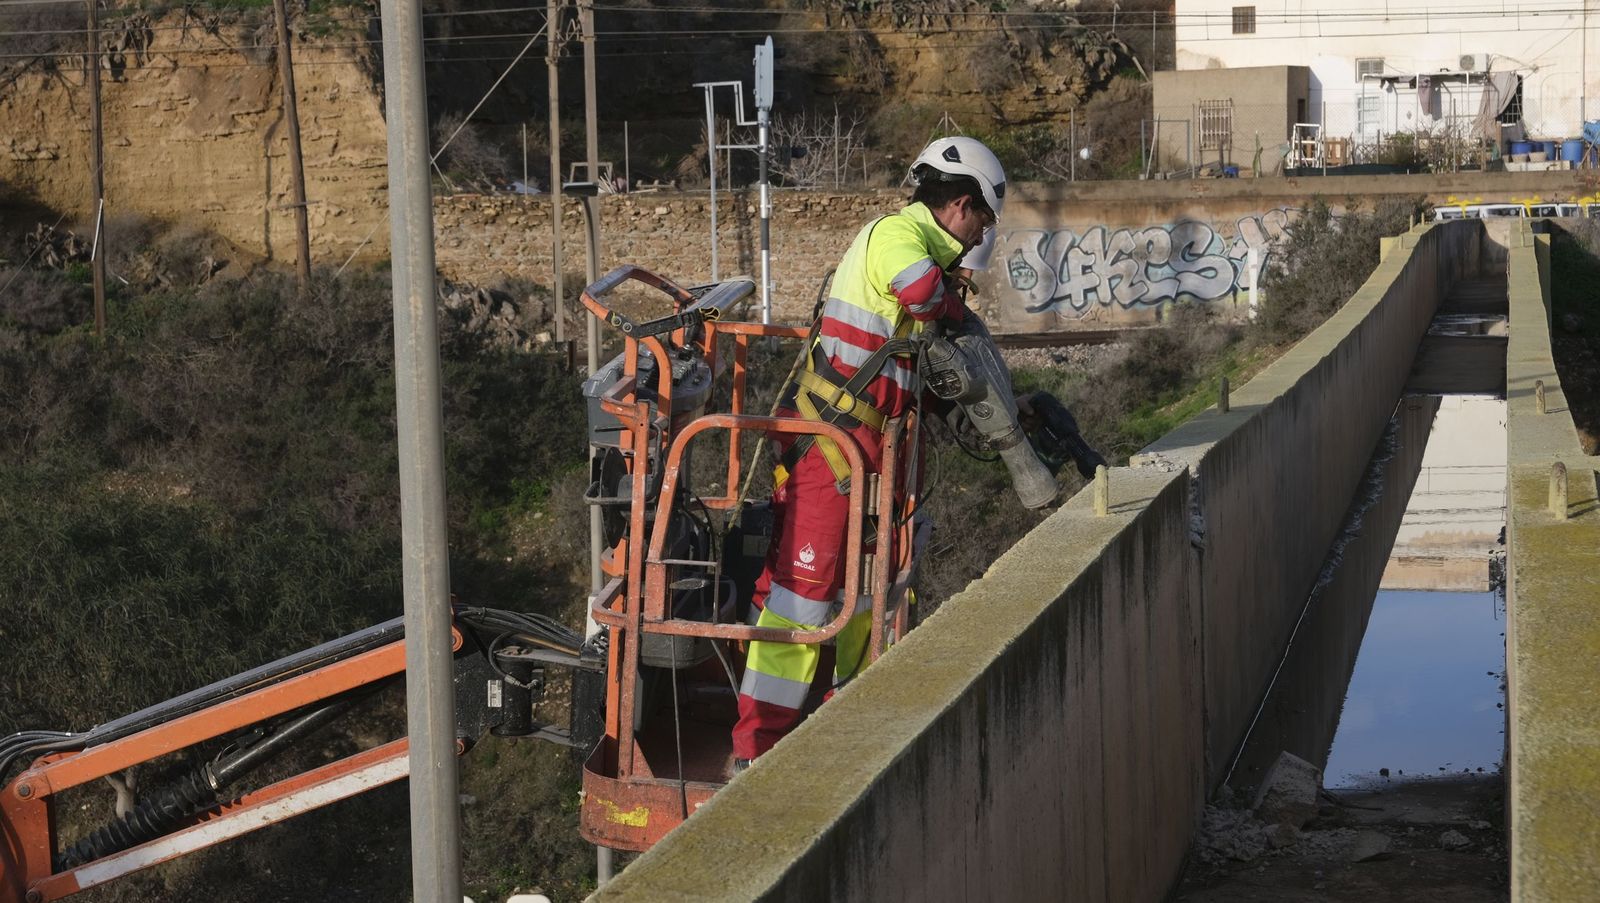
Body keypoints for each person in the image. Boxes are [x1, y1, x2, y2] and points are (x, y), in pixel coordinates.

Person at [731, 136, 1006, 767]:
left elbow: (909, 359)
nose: (980, 237)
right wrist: (955, 306)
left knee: (864, 591)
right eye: (983, 222)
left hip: (868, 447)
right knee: (803, 596)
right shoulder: (897, 236)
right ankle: (755, 752)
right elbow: (920, 293)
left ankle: (846, 723)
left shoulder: (921, 249)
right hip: (832, 444)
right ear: (962, 205)